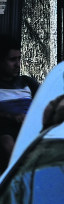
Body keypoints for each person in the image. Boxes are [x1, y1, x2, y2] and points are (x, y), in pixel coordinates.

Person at [0, 35, 38, 167]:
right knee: (6, 142)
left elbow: (46, 102)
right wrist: (10, 116)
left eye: (19, 59)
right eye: (12, 60)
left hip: (30, 128)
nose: (17, 64)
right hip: (6, 130)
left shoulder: (27, 82)